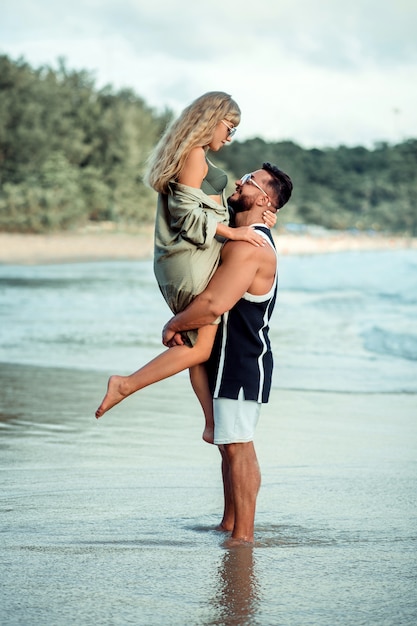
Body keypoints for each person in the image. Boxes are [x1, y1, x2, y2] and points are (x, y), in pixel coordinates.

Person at [95, 92, 276, 443]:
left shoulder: (193, 154)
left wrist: (260, 219)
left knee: (195, 344)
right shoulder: (193, 155)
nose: (230, 136)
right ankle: (125, 384)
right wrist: (233, 230)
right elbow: (187, 216)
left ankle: (210, 423)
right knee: (200, 347)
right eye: (229, 127)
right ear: (211, 120)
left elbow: (206, 211)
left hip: (184, 260)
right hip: (189, 260)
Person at [162, 163, 293, 546]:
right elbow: (207, 188)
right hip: (229, 357)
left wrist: (175, 324)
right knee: (228, 444)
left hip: (242, 358)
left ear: (264, 199)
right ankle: (228, 523)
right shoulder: (245, 234)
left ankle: (244, 536)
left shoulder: (250, 245)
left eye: (248, 181)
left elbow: (214, 303)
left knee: (238, 445)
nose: (239, 181)